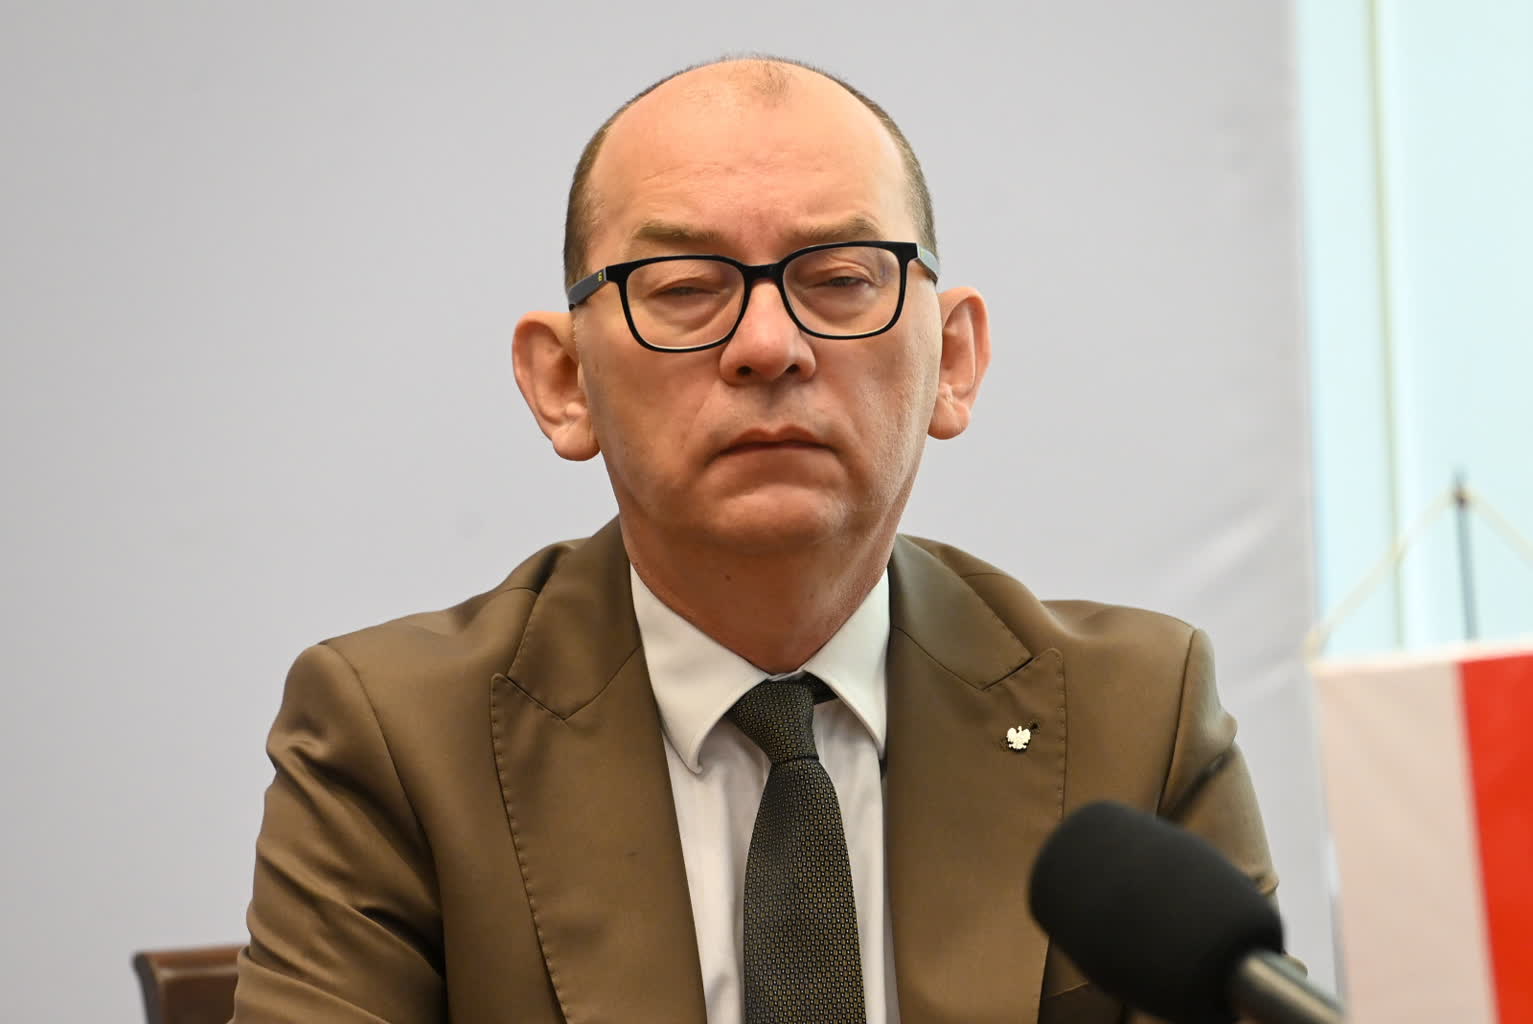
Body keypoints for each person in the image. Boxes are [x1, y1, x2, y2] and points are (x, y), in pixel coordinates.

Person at [232, 56, 1275, 1024]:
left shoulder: (1134, 715)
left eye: (841, 280)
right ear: (563, 381)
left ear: (953, 361)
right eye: (685, 289)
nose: (769, 346)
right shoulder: (400, 740)